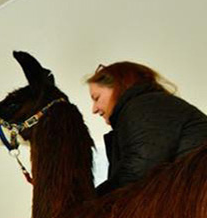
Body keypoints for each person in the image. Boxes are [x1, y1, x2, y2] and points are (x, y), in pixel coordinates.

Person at [88, 61, 207, 195]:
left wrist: (91, 204)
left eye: (96, 98)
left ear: (117, 87)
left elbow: (140, 171)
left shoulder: (145, 106)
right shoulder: (150, 106)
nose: (94, 109)